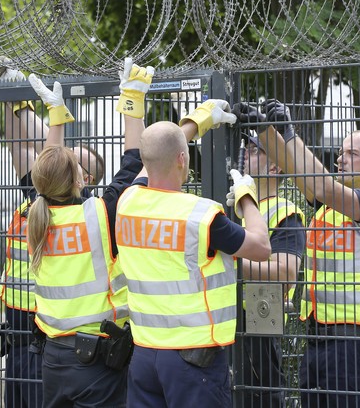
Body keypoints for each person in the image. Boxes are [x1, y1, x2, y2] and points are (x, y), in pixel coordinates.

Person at [234, 100, 360, 408]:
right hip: (320, 342)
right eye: (341, 152)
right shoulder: (332, 208)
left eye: (352, 154)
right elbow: (300, 173)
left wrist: (288, 133)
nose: (341, 159)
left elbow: (323, 187)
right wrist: (266, 130)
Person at [0, 59, 142, 407]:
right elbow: (134, 159)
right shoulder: (100, 215)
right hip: (96, 359)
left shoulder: (36, 213)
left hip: (54, 357)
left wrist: (55, 119)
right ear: (80, 180)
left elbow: (47, 167)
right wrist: (131, 99)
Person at [115, 102, 273, 408]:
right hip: (193, 361)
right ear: (182, 160)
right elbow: (261, 247)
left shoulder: (128, 201)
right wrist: (247, 197)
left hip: (145, 355)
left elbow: (154, 158)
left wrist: (195, 122)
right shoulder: (201, 216)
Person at [233, 132, 305, 408]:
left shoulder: (285, 212)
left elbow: (286, 274)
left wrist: (231, 264)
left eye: (255, 151)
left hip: (260, 317)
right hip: (222, 318)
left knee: (260, 397)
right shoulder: (233, 206)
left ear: (275, 167)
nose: (244, 155)